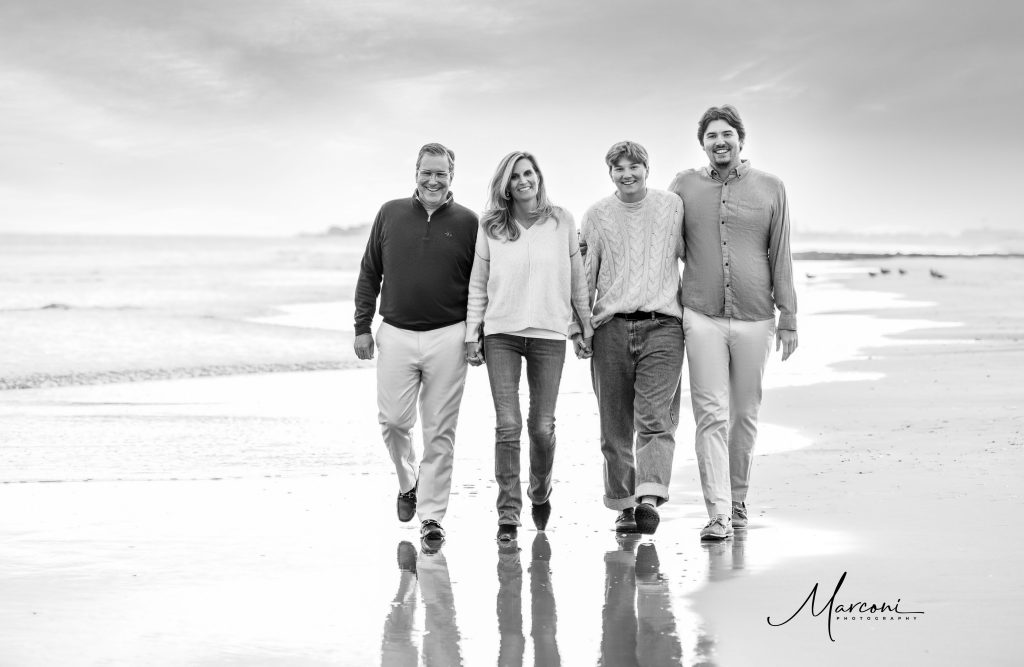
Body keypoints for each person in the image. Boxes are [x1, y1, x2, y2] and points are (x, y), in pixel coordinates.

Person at [668, 105, 798, 541]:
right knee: (709, 416)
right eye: (710, 136)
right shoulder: (684, 186)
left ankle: (738, 499)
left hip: (756, 316)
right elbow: (661, 242)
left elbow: (780, 254)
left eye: (726, 134)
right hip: (700, 313)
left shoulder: (771, 188)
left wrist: (789, 318)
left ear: (741, 138)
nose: (719, 142)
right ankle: (718, 513)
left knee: (744, 414)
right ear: (702, 143)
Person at [353, 142, 478, 546]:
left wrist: (477, 334)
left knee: (440, 431)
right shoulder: (390, 214)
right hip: (396, 333)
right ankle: (408, 481)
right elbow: (370, 270)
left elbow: (481, 285)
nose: (433, 179)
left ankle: (432, 517)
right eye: (427, 171)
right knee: (393, 421)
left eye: (441, 173)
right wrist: (361, 325)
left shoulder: (468, 222)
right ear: (416, 172)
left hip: (449, 336)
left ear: (452, 176)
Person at [464, 151, 593, 542]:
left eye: (529, 173)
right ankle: (508, 515)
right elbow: (478, 282)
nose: (524, 180)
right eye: (515, 176)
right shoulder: (490, 226)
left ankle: (540, 491)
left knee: (541, 427)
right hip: (500, 333)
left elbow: (576, 280)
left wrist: (584, 326)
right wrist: (473, 334)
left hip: (549, 334)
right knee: (508, 425)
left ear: (538, 176)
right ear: (506, 184)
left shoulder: (561, 221)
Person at [580, 141, 685, 535]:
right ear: (610, 173)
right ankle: (624, 505)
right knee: (615, 425)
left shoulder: (671, 207)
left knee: (656, 419)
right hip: (610, 329)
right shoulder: (597, 215)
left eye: (634, 166)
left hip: (664, 327)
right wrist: (581, 326)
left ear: (647, 168)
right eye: (619, 168)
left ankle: (648, 499)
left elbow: (693, 256)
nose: (627, 174)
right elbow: (586, 275)